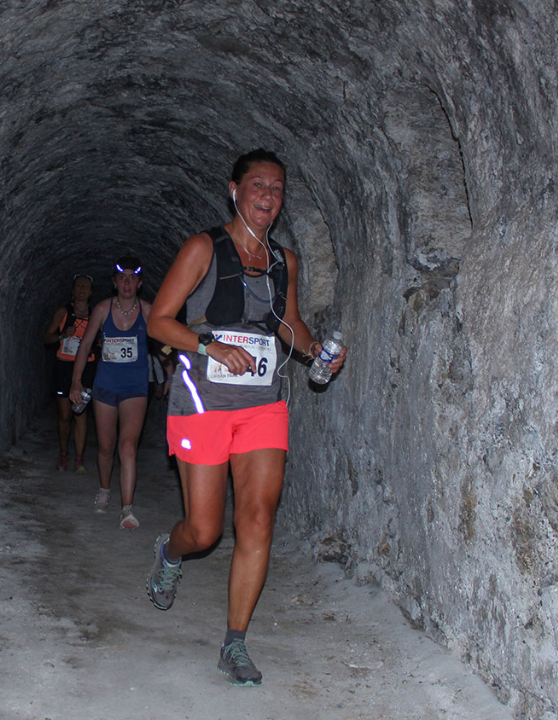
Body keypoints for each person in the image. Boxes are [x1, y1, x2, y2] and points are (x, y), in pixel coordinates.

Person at [144, 149, 347, 687]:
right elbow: (160, 324)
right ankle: (170, 551)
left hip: (262, 406)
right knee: (204, 531)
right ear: (234, 189)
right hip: (204, 402)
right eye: (258, 185)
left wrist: (316, 351)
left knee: (257, 519)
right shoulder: (202, 249)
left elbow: (290, 326)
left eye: (277, 188)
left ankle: (234, 642)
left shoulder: (286, 262)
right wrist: (207, 344)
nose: (267, 196)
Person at [70, 255, 154, 530]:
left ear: (139, 283)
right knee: (106, 446)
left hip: (135, 388)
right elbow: (84, 346)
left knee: (127, 445)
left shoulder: (148, 311)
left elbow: (165, 342)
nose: (127, 283)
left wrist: (172, 368)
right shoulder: (103, 310)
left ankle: (127, 509)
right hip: (105, 385)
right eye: (122, 278)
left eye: (132, 278)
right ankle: (105, 490)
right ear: (115, 283)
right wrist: (76, 381)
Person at [42, 274, 97, 472]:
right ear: (73, 290)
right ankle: (64, 453)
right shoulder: (63, 312)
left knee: (80, 413)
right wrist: (61, 335)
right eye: (79, 286)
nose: (82, 289)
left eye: (86, 286)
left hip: (85, 369)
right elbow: (47, 338)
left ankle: (79, 459)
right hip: (64, 366)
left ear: (90, 293)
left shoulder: (95, 315)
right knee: (65, 415)